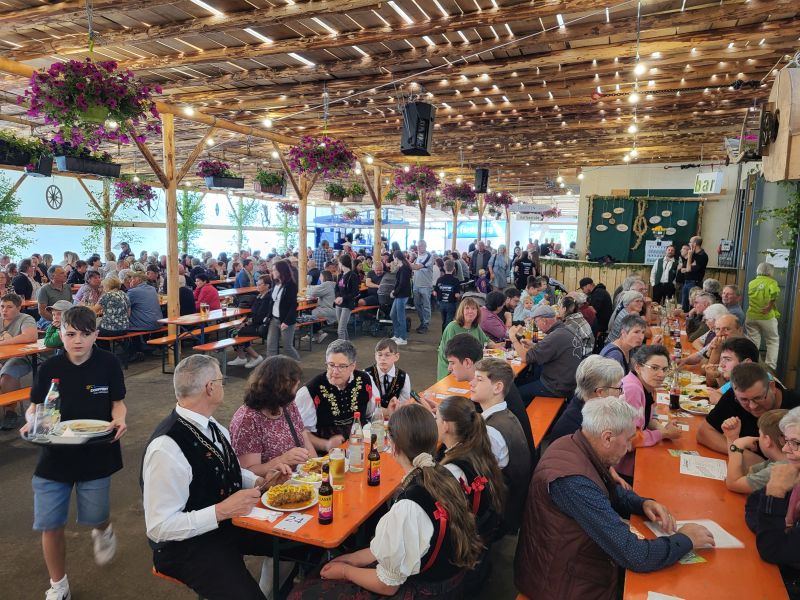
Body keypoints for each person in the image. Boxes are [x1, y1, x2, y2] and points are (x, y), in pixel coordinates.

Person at [514, 397, 714, 600]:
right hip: (560, 585)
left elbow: (605, 489)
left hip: (563, 567)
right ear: (607, 438)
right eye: (628, 440)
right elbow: (635, 555)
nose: (628, 448)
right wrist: (686, 539)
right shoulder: (573, 482)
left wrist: (642, 503)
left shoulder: (574, 443)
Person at [289, 403, 482, 599]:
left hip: (425, 591)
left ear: (394, 447)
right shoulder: (442, 475)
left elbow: (388, 586)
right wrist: (353, 559)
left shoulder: (408, 507)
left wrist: (346, 571)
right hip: (450, 580)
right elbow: (397, 543)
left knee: (301, 593)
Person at [141, 354, 290, 600]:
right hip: (186, 547)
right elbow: (159, 528)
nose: (223, 385)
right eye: (221, 380)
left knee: (299, 544)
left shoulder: (213, 427)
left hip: (227, 525)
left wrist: (260, 481)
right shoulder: (166, 448)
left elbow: (226, 469)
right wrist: (221, 511)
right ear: (210, 388)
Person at [20, 306, 128, 600]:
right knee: (50, 524)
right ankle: (59, 585)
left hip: (96, 451)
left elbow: (117, 403)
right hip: (54, 453)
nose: (77, 340)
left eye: (85, 334)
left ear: (96, 335)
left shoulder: (108, 364)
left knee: (96, 516)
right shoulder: (49, 368)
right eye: (70, 334)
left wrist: (119, 419)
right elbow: (35, 407)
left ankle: (103, 529)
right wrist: (31, 421)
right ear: (60, 334)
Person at [441, 333, 535, 456]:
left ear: (467, 362)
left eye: (452, 363)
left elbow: (468, 430)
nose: (449, 368)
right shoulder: (492, 379)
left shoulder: (489, 389)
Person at [470, 358, 532, 533]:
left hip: (498, 514)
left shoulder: (491, 432)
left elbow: (474, 476)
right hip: (512, 503)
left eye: (479, 379)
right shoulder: (507, 415)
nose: (472, 383)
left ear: (497, 387)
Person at [435, 395, 506, 544]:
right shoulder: (477, 450)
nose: (435, 422)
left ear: (446, 426)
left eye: (437, 418)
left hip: (465, 541)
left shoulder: (453, 470)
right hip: (484, 529)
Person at [230, 356, 316, 475]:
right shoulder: (248, 420)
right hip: (273, 484)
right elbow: (247, 473)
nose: (297, 384)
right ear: (279, 387)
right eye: (293, 383)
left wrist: (317, 467)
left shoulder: (287, 403)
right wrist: (281, 460)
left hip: (300, 478)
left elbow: (304, 438)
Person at [294, 340, 380, 451]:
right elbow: (300, 432)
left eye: (342, 366)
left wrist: (391, 410)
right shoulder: (309, 391)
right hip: (328, 454)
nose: (335, 371)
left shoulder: (365, 379)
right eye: (331, 365)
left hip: (362, 446)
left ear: (353, 366)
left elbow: (371, 413)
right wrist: (326, 444)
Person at [698, 362, 800, 456]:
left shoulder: (796, 406)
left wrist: (738, 452)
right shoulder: (735, 396)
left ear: (772, 387)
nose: (752, 406)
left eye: (758, 398)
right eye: (744, 400)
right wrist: (742, 452)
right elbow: (704, 433)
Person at [750, 407, 800, 597]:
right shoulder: (793, 472)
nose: (785, 449)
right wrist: (772, 530)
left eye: (795, 443)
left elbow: (772, 550)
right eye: (786, 441)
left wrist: (775, 494)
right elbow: (752, 504)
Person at [616, 345, 683, 479]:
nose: (661, 374)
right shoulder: (632, 390)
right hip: (621, 466)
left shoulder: (647, 385)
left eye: (664, 369)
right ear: (638, 367)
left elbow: (648, 417)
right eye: (654, 368)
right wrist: (664, 434)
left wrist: (663, 428)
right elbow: (631, 439)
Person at [510, 305, 583, 402]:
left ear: (544, 320)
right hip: (568, 383)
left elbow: (525, 358)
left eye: (536, 322)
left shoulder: (556, 336)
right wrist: (534, 345)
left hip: (556, 388)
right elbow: (554, 348)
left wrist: (513, 337)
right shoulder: (565, 329)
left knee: (515, 395)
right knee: (520, 382)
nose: (537, 326)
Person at [547, 355, 625, 442]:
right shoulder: (576, 431)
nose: (622, 392)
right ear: (600, 392)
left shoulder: (589, 406)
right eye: (619, 388)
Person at [723, 408, 789, 494]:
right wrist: (732, 437)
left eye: (760, 434)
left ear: (767, 440)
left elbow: (733, 484)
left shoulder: (779, 470)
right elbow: (746, 474)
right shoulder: (777, 461)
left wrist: (736, 446)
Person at [0, 293, 38, 426]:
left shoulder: (26, 319)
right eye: (2, 306)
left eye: (9, 307)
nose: (4, 310)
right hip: (2, 358)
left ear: (18, 308)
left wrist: (4, 342)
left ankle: (10, 412)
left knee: (7, 375)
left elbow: (30, 336)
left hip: (22, 357)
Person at [437, 298, 492, 380]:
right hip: (451, 370)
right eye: (467, 308)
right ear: (461, 311)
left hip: (469, 368)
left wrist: (499, 346)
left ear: (477, 312)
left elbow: (486, 341)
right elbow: (449, 353)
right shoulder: (452, 327)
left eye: (473, 309)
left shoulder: (475, 327)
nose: (470, 311)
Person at [228, 274, 270, 368]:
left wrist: (245, 324)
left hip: (262, 326)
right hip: (254, 323)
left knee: (236, 333)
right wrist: (242, 322)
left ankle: (256, 357)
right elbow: (252, 313)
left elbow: (260, 317)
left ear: (267, 286)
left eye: (260, 284)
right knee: (231, 331)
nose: (257, 286)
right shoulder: (259, 296)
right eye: (257, 284)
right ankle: (241, 357)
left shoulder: (267, 298)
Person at [745, 261, 781, 370]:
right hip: (766, 317)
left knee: (753, 342)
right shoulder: (772, 282)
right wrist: (770, 306)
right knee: (772, 341)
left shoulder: (752, 283)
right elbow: (775, 293)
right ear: (770, 272)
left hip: (751, 316)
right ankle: (770, 367)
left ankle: (751, 365)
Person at [264, 259, 299, 361]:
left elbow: (293, 305)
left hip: (286, 320)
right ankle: (271, 367)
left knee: (287, 347)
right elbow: (272, 302)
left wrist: (287, 321)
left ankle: (297, 364)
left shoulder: (291, 285)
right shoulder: (275, 283)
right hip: (274, 319)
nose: (272, 272)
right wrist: (268, 316)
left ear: (281, 271)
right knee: (271, 345)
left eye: (275, 270)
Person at [365, 338, 411, 414]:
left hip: (396, 415)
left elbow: (404, 403)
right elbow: (364, 404)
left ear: (396, 357)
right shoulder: (366, 375)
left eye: (387, 355)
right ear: (375, 356)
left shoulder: (403, 377)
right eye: (379, 355)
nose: (383, 358)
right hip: (372, 416)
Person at [334, 254, 360, 342]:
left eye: (339, 263)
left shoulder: (353, 275)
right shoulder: (340, 275)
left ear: (342, 263)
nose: (338, 265)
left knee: (340, 330)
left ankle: (340, 347)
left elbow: (355, 292)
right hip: (339, 304)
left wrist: (343, 298)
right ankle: (347, 344)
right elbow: (336, 288)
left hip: (347, 304)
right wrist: (338, 297)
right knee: (343, 328)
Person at [305, 270, 335, 344]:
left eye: (320, 276)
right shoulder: (333, 284)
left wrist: (305, 289)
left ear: (324, 277)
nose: (319, 278)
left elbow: (313, 292)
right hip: (333, 308)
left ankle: (316, 334)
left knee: (310, 313)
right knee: (311, 312)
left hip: (328, 310)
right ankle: (317, 333)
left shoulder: (326, 284)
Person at [389, 250, 412, 345]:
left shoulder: (404, 268)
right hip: (399, 294)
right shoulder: (401, 267)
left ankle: (403, 338)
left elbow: (402, 284)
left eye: (393, 258)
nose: (393, 260)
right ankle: (397, 334)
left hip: (402, 295)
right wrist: (394, 291)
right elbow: (399, 282)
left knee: (400, 317)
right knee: (393, 314)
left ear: (397, 258)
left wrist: (394, 293)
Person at [410, 240, 433, 333]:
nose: (419, 248)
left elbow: (417, 267)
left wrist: (404, 262)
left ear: (425, 246)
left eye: (421, 246)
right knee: (417, 304)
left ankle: (425, 324)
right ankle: (422, 322)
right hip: (416, 284)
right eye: (418, 246)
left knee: (426, 306)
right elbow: (413, 267)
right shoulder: (417, 256)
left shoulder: (429, 256)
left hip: (425, 285)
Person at [680, 236, 708, 311]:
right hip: (686, 282)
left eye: (690, 242)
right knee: (684, 306)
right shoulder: (693, 253)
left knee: (692, 305)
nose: (689, 244)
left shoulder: (702, 255)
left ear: (694, 244)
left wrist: (689, 257)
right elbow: (684, 268)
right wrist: (689, 265)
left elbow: (688, 269)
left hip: (694, 283)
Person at [434, 259, 461, 331]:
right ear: (454, 268)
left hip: (441, 303)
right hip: (451, 304)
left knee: (444, 320)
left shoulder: (439, 279)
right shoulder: (456, 280)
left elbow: (435, 293)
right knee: (449, 322)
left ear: (444, 268)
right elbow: (457, 295)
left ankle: (444, 335)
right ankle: (447, 336)